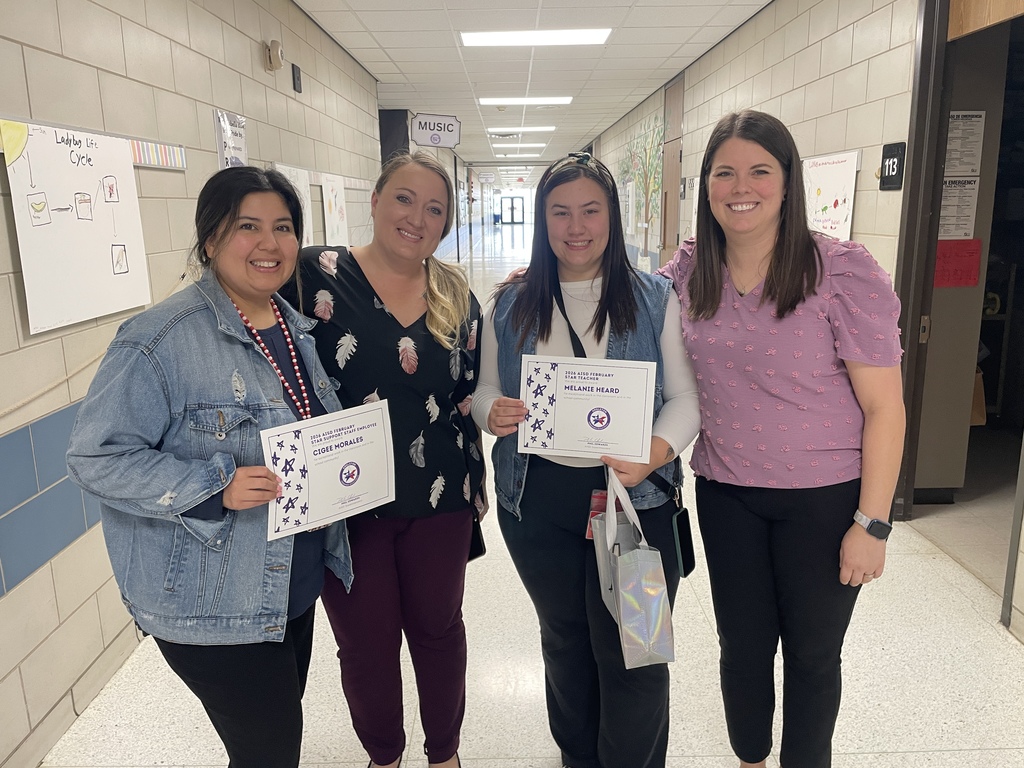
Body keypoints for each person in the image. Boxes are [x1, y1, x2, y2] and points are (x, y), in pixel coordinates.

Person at [65, 166, 352, 768]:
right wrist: (213, 486)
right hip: (215, 601)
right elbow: (96, 456)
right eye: (248, 226)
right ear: (210, 238)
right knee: (271, 753)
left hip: (289, 585)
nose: (269, 244)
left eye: (283, 227)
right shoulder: (159, 338)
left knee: (270, 743)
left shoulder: (291, 327)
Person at [658, 110, 905, 768]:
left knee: (813, 656)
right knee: (741, 648)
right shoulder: (688, 274)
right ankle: (749, 760)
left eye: (760, 171)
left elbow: (886, 409)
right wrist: (538, 287)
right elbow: (622, 315)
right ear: (706, 185)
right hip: (726, 493)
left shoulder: (841, 273)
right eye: (725, 172)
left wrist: (872, 525)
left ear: (789, 182)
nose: (742, 186)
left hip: (824, 503)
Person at [470, 152, 701, 768]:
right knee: (566, 641)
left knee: (639, 647)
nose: (576, 227)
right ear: (542, 222)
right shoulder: (511, 304)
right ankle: (578, 756)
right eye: (560, 212)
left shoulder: (655, 298)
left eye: (590, 210)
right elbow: (486, 389)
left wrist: (649, 459)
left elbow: (685, 401)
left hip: (637, 503)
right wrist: (490, 413)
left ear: (612, 217)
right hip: (538, 503)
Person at [282, 151, 484, 768]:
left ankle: (444, 754)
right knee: (365, 645)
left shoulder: (455, 293)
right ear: (373, 201)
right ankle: (385, 756)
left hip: (439, 496)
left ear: (446, 223)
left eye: (433, 209)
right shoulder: (313, 274)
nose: (416, 217)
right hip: (347, 502)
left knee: (439, 632)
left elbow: (470, 388)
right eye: (403, 198)